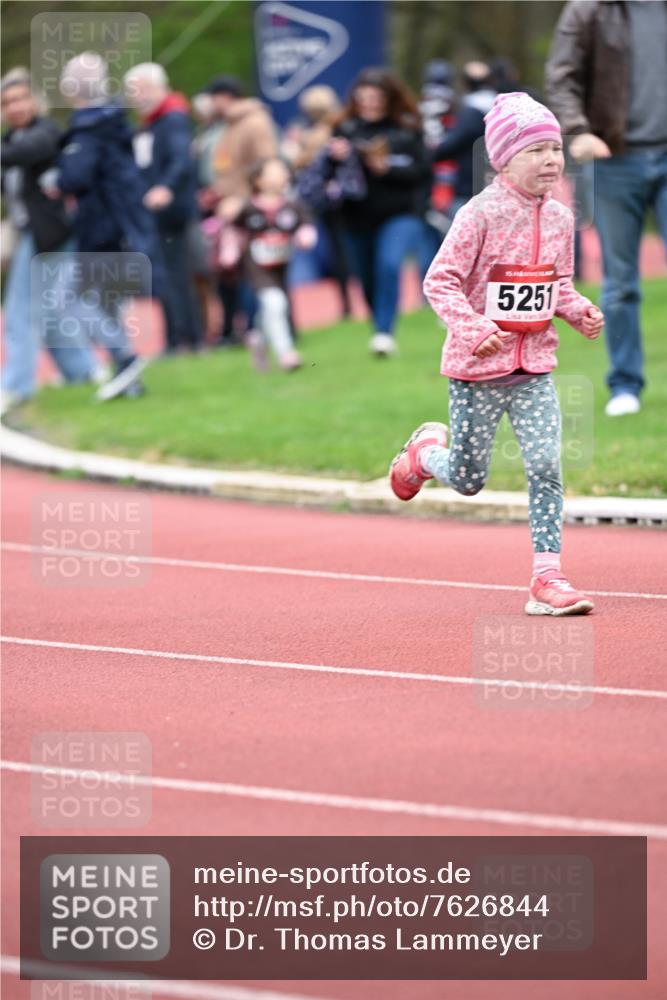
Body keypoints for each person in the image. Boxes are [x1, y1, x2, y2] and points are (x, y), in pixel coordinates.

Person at [389, 92, 605, 616]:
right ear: (502, 158)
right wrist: (472, 327)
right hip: (477, 370)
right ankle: (422, 456)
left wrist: (577, 311)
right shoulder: (478, 214)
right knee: (467, 479)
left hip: (534, 369)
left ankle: (547, 577)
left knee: (546, 465)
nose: (551, 160)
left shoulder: (558, 217)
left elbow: (555, 285)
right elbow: (439, 281)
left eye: (555, 149)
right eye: (535, 150)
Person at [546, 0, 667, 417]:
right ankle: (625, 384)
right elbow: (561, 77)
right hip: (615, 159)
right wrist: (577, 131)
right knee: (620, 280)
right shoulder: (590, 10)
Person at [54, 52, 155, 400]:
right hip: (121, 225)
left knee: (69, 298)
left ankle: (125, 358)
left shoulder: (90, 130)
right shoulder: (114, 124)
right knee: (109, 302)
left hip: (101, 227)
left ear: (72, 89)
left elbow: (75, 177)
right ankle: (130, 381)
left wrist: (58, 178)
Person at [1, 69, 97, 415]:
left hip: (51, 237)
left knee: (20, 312)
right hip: (32, 235)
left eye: (20, 99)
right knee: (53, 313)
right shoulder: (11, 143)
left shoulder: (45, 134)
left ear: (35, 101)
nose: (15, 107)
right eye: (7, 102)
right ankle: (83, 372)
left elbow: (27, 152)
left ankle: (15, 386)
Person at [331, 68, 429, 356]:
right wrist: (335, 157)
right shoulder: (345, 128)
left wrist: (388, 169)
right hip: (356, 215)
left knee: (389, 265)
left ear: (388, 98)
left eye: (375, 97)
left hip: (400, 213)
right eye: (363, 98)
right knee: (365, 276)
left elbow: (423, 171)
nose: (369, 103)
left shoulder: (406, 129)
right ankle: (380, 324)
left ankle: (384, 333)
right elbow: (329, 176)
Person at [124, 62, 203, 353]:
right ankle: (177, 338)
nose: (137, 97)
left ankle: (186, 339)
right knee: (167, 276)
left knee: (175, 276)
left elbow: (180, 160)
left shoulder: (173, 118)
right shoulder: (150, 124)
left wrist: (164, 187)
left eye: (142, 89)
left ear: (160, 87)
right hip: (154, 212)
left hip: (172, 211)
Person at [222, 156, 316, 371]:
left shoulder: (292, 205)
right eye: (274, 171)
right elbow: (233, 229)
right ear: (258, 180)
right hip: (256, 267)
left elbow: (305, 225)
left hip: (282, 265)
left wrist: (305, 236)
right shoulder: (248, 207)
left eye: (282, 170)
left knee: (272, 308)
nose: (281, 174)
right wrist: (230, 250)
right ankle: (286, 353)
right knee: (276, 303)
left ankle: (258, 338)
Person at [206, 75, 278, 346]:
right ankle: (240, 329)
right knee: (230, 273)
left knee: (256, 273)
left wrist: (245, 200)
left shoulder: (254, 121)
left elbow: (267, 164)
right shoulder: (227, 125)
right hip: (229, 208)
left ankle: (257, 329)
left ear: (224, 96)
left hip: (249, 210)